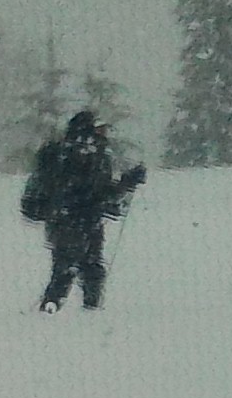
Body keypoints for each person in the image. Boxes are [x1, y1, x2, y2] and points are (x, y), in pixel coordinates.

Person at [19, 110, 147, 312]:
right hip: (71, 220)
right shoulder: (78, 156)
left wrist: (126, 183)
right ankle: (74, 311)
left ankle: (68, 310)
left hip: (77, 220)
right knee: (76, 269)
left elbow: (100, 192)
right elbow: (92, 192)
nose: (104, 134)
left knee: (79, 269)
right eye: (100, 129)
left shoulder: (90, 155)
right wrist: (124, 186)